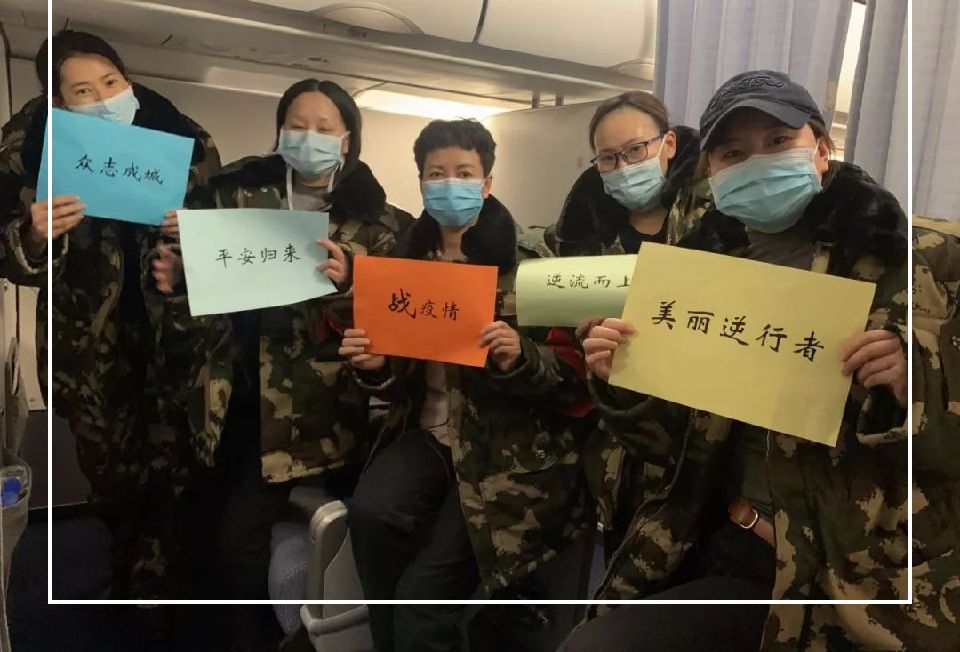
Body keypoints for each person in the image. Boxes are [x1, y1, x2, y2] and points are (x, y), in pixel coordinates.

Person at [561, 70, 913, 651]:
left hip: (858, 569)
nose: (758, 162)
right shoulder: (700, 275)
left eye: (779, 141)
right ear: (711, 171)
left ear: (822, 149)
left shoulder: (913, 265)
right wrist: (622, 380)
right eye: (733, 153)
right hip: (725, 536)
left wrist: (913, 382)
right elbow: (672, 443)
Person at [154, 78, 415, 649]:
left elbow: (393, 323)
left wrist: (351, 283)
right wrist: (180, 272)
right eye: (297, 125)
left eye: (324, 128)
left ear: (348, 139)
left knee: (242, 539)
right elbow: (195, 290)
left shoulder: (381, 223)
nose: (308, 137)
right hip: (226, 393)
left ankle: (264, 639)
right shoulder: (237, 193)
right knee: (202, 526)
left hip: (313, 413)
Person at [339, 119, 589, 652]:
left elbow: (573, 380)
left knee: (421, 604)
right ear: (421, 183)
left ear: (487, 183)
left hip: (508, 450)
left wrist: (520, 358)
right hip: (428, 434)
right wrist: (375, 366)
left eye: (464, 172)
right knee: (370, 515)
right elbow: (394, 382)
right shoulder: (402, 267)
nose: (449, 184)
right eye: (436, 174)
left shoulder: (533, 263)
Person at [2, 29, 224, 602]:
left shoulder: (184, 138)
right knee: (110, 470)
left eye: (111, 82)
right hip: (87, 344)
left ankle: (169, 577)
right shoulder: (29, 146)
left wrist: (197, 235)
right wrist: (32, 234)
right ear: (56, 101)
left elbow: (228, 239)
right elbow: (10, 252)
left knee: (177, 464)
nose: (103, 98)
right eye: (82, 91)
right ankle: (128, 563)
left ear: (128, 79)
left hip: (174, 338)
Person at [550, 91, 744, 562]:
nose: (623, 167)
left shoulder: (721, 216)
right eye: (608, 158)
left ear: (668, 144)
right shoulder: (585, 239)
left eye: (635, 150)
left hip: (710, 440)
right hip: (623, 444)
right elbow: (565, 330)